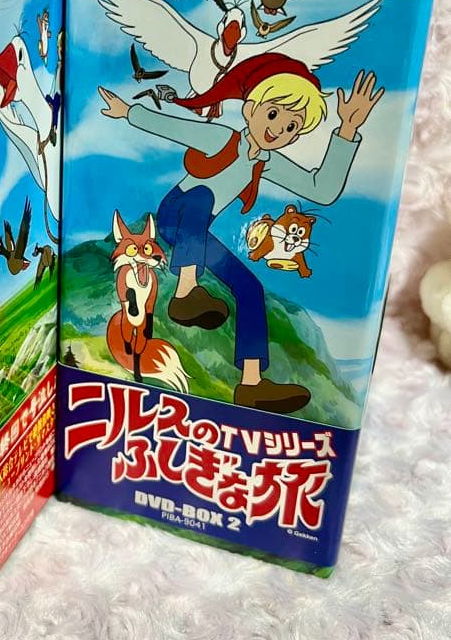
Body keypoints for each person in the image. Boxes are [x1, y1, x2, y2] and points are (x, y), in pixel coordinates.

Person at [98, 52, 384, 414]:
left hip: (196, 234)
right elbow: (175, 128)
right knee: (202, 197)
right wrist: (128, 112)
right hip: (176, 215)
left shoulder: (267, 162)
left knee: (250, 288)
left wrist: (346, 131)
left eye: (292, 127)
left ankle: (251, 384)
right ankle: (185, 293)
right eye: (274, 114)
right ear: (251, 109)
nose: (279, 129)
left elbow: (321, 189)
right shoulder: (223, 138)